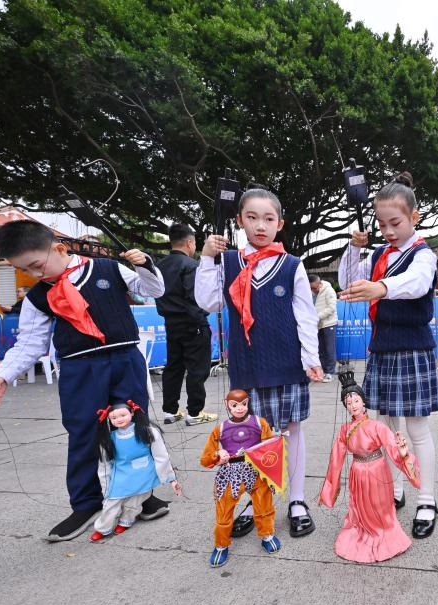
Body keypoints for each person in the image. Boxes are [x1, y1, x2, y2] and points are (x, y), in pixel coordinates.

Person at [0, 220, 169, 541]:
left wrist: (145, 264)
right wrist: (2, 376)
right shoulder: (38, 297)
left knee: (132, 429)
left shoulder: (109, 269)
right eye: (25, 270)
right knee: (84, 434)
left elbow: (154, 290)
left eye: (36, 265)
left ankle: (140, 498)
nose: (34, 275)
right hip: (79, 370)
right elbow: (30, 343)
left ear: (59, 249)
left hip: (125, 360)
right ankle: (86, 504)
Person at [196, 188, 323, 540]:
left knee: (291, 432)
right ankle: (256, 502)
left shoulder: (292, 265)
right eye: (252, 217)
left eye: (269, 219)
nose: (260, 226)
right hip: (247, 365)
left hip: (286, 363)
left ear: (280, 223)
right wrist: (207, 259)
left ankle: (297, 501)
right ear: (239, 221)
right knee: (250, 437)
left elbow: (305, 316)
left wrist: (311, 360)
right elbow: (208, 302)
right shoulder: (228, 262)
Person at [338, 172, 438, 539]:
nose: (387, 230)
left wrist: (380, 287)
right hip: (382, 349)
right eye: (381, 224)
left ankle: (426, 498)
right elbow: (347, 280)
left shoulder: (423, 255)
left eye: (395, 222)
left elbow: (416, 285)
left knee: (416, 429)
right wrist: (354, 249)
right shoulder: (377, 253)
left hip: (413, 349)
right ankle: (395, 489)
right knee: (387, 426)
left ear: (414, 216)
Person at [318, 372, 420, 563]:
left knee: (380, 506)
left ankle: (383, 531)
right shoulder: (344, 430)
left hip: (376, 470)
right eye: (348, 403)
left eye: (356, 400)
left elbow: (392, 448)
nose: (353, 405)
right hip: (357, 471)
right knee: (359, 507)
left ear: (363, 402)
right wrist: (330, 488)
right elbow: (336, 458)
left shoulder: (376, 427)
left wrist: (404, 453)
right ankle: (361, 529)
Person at [200, 389, 280, 567]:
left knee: (264, 504)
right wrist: (217, 455)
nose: (239, 408)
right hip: (230, 473)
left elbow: (270, 447)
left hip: (256, 470)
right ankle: (221, 545)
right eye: (234, 405)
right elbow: (205, 459)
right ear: (226, 404)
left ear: (249, 402)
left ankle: (267, 534)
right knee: (224, 511)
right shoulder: (219, 429)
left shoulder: (260, 423)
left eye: (243, 404)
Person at [91, 400, 181, 542]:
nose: (119, 420)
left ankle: (126, 521)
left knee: (136, 500)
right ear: (108, 419)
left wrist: (171, 478)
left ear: (132, 413)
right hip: (121, 475)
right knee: (111, 503)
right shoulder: (108, 440)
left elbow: (161, 456)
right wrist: (105, 487)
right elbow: (104, 466)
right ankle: (102, 528)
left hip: (145, 473)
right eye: (114, 418)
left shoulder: (148, 431)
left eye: (122, 415)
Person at [156, 223, 216, 426]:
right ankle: (195, 412)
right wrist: (203, 317)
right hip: (193, 323)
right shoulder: (190, 265)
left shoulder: (159, 266)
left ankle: (170, 411)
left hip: (171, 323)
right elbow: (195, 298)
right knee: (198, 369)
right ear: (190, 242)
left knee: (174, 367)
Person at [309, 274, 338, 382]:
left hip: (329, 324)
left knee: (329, 349)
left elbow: (332, 308)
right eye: (311, 288)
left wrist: (317, 317)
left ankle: (330, 372)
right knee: (320, 349)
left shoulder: (329, 290)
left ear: (320, 283)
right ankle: (321, 371)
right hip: (317, 325)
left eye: (314, 288)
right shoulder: (310, 292)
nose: (313, 290)